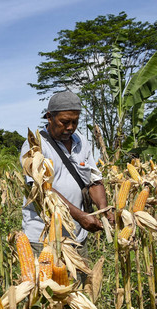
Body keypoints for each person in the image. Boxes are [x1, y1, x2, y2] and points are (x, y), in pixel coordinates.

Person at [20, 90, 113, 261]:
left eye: (75, 122)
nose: (70, 127)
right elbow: (43, 189)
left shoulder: (81, 141)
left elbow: (94, 180)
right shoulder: (35, 146)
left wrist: (104, 210)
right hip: (44, 237)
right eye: (64, 122)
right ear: (49, 117)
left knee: (79, 285)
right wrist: (80, 215)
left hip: (77, 236)